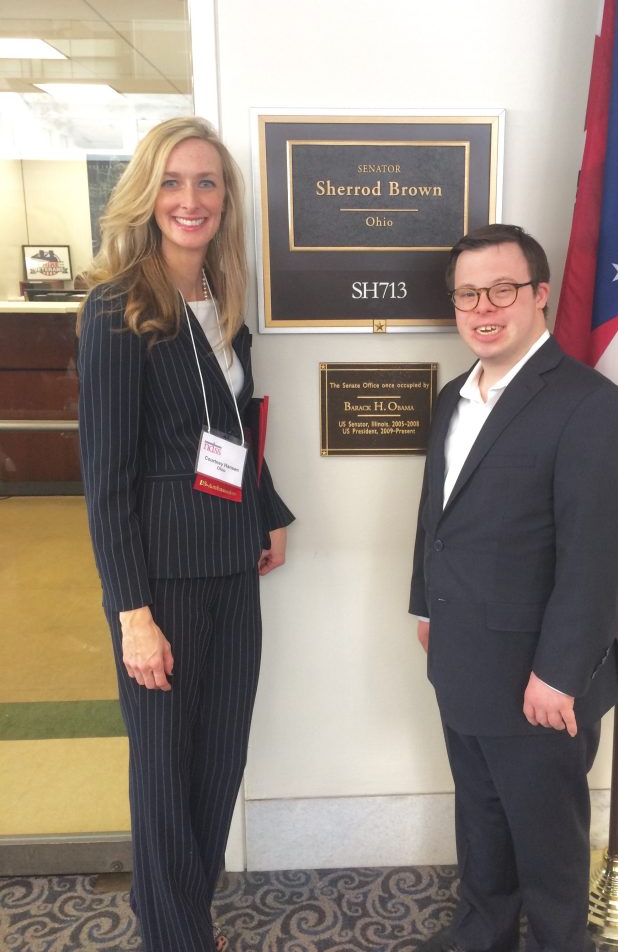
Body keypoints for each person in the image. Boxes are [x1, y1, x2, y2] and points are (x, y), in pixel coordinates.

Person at [77, 117, 294, 952]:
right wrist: (132, 613)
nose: (190, 199)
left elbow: (235, 430)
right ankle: (175, 937)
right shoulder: (117, 307)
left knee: (219, 757)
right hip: (159, 579)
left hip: (234, 563)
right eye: (173, 182)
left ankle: (180, 917)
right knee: (165, 770)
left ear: (226, 199)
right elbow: (107, 480)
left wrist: (267, 513)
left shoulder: (226, 304)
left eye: (206, 183)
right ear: (146, 195)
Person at [409, 224, 618, 952]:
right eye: (468, 294)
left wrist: (559, 674)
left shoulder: (593, 407)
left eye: (503, 290)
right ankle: (481, 934)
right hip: (462, 657)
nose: (484, 307)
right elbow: (437, 516)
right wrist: (424, 602)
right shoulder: (454, 397)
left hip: (540, 682)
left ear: (541, 295)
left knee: (546, 845)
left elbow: (599, 559)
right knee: (480, 820)